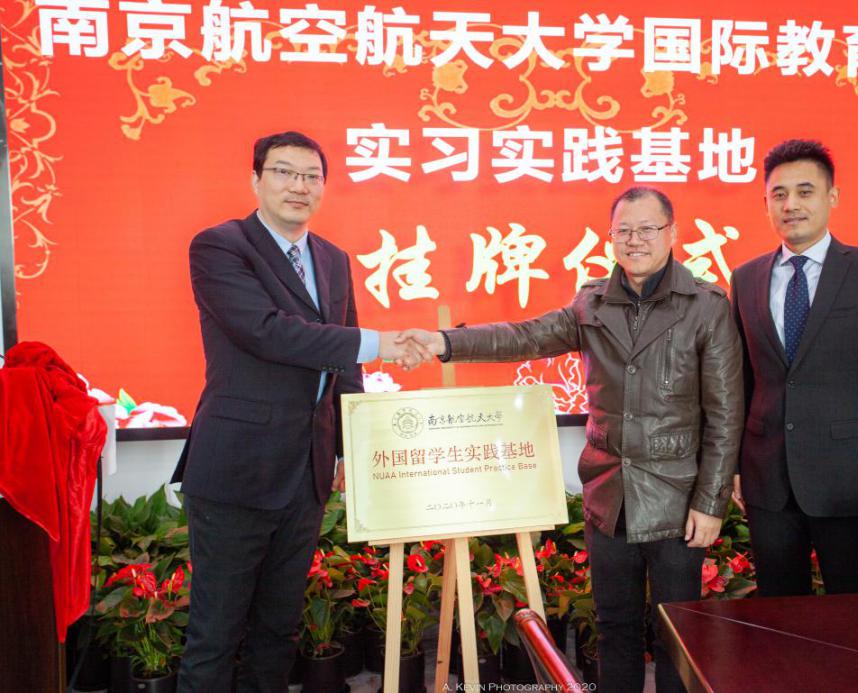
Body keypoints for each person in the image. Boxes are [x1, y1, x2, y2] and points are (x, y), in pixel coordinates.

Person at [400, 187, 743, 693]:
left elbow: (726, 412)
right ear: (611, 237)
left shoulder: (705, 306)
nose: (635, 240)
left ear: (672, 233)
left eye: (647, 229)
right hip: (610, 496)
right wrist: (443, 342)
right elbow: (524, 336)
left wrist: (710, 503)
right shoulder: (592, 303)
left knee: (677, 633)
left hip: (677, 496)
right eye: (623, 231)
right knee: (613, 628)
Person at [171, 131, 429, 691]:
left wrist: (347, 446)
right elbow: (267, 333)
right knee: (215, 635)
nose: (299, 186)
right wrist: (380, 342)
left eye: (312, 176)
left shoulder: (332, 259)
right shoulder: (220, 246)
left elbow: (346, 366)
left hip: (307, 475)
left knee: (278, 631)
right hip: (237, 471)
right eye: (285, 172)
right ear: (256, 179)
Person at [729, 139, 858, 597]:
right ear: (766, 203)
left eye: (805, 191)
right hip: (768, 481)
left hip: (848, 482)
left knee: (851, 615)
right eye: (778, 194)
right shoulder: (746, 277)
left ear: (832, 197)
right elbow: (740, 382)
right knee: (779, 614)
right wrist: (733, 465)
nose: (790, 205)